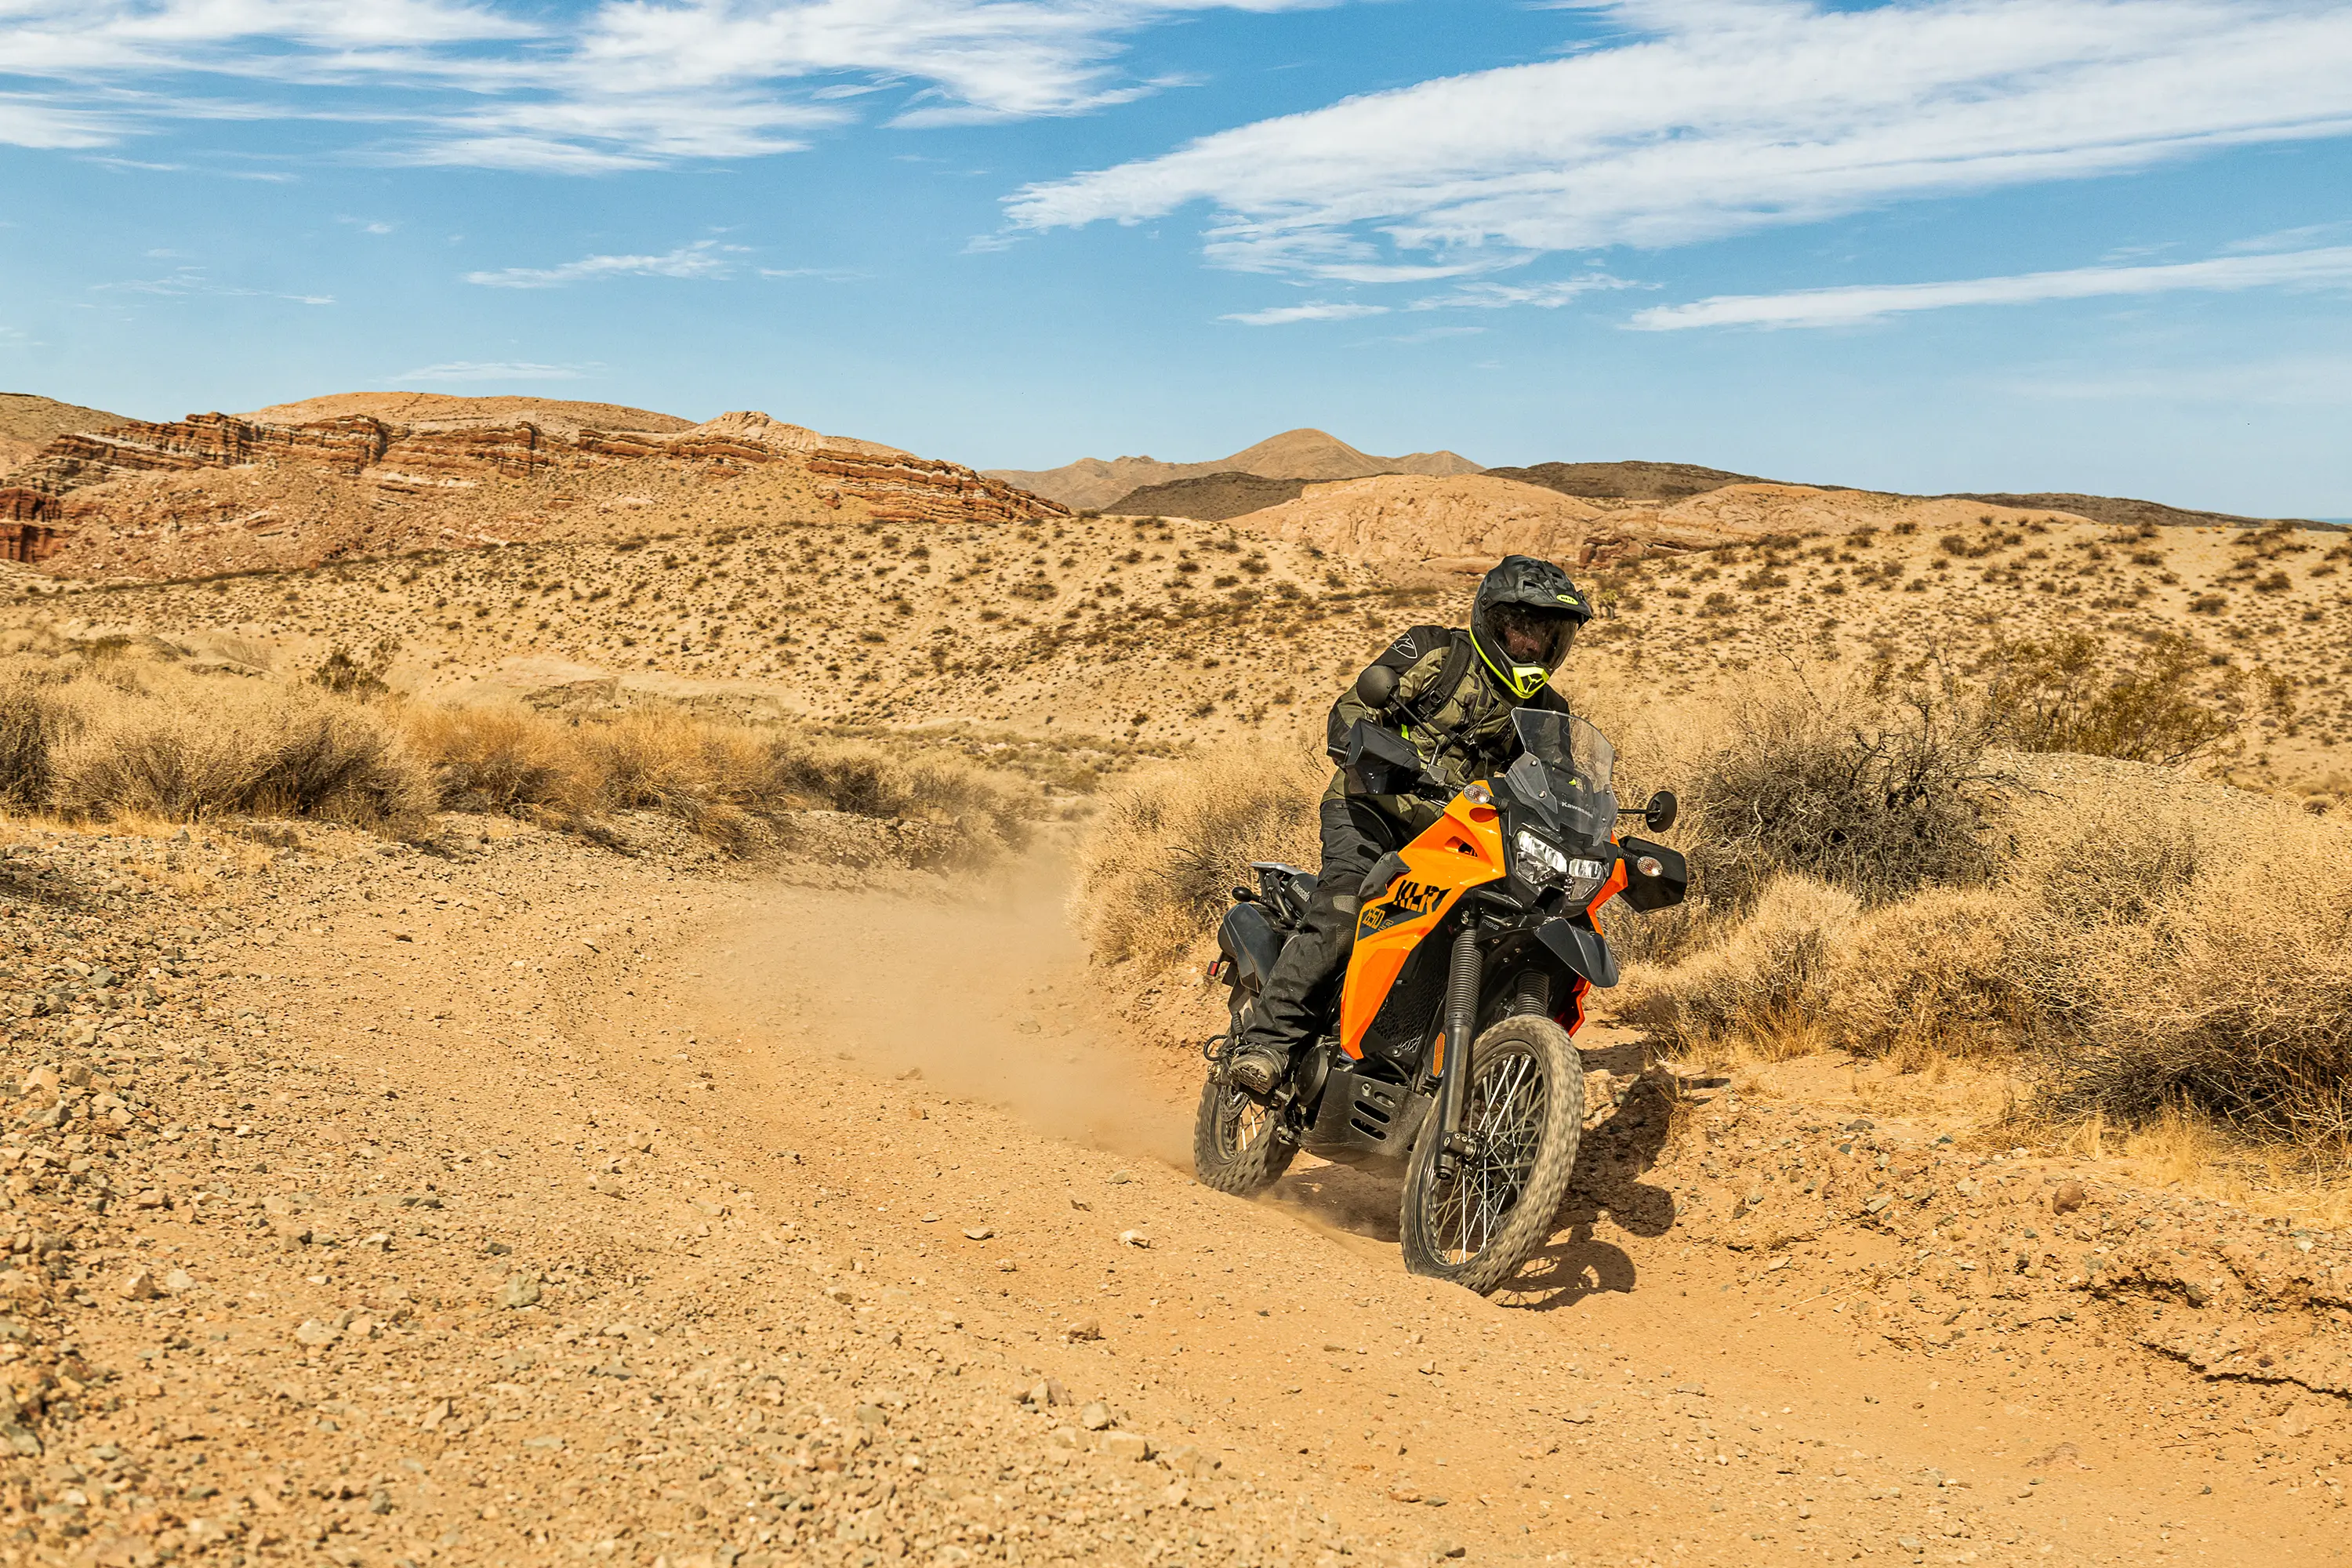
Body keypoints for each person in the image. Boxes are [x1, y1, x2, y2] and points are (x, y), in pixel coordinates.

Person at [1224, 554, 1594, 1096]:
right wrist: (1378, 752)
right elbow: (1350, 713)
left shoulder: (1550, 712)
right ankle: (1269, 1043)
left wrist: (1589, 825)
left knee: (1505, 931)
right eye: (1521, 629)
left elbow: (1565, 786)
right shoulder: (1436, 652)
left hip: (1460, 841)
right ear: (1493, 621)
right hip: (1374, 810)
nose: (1532, 646)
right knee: (1346, 910)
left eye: (1547, 635)